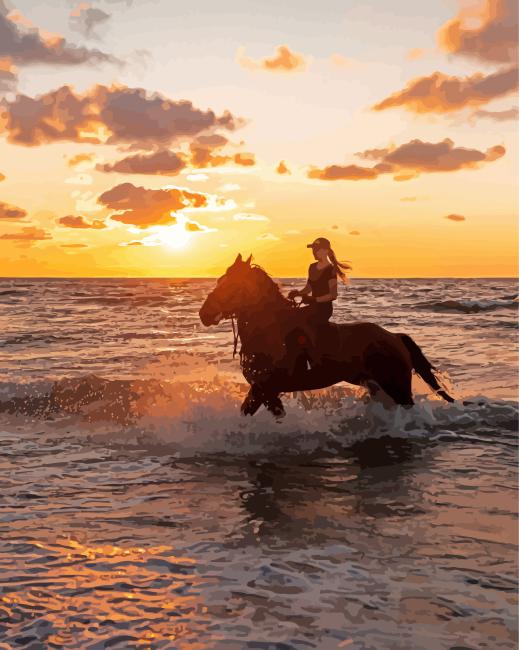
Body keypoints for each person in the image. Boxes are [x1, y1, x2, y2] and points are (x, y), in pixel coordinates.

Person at [287, 237, 350, 365]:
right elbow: (309, 287)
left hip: (323, 309)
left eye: (316, 249)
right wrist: (298, 293)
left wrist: (314, 299)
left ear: (326, 250)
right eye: (313, 249)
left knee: (307, 323)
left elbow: (333, 295)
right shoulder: (312, 267)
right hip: (312, 306)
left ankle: (315, 358)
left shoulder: (330, 270)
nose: (314, 252)